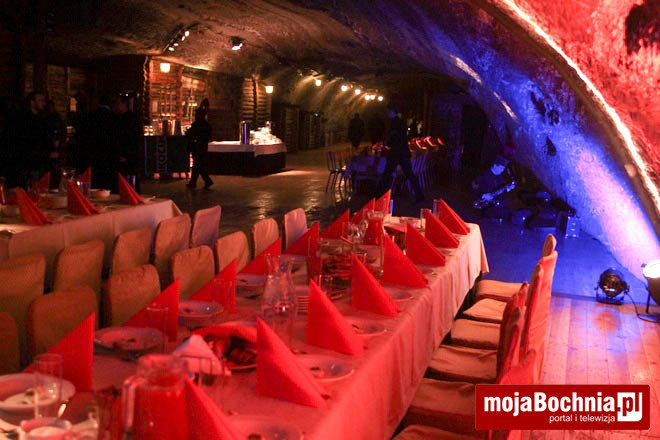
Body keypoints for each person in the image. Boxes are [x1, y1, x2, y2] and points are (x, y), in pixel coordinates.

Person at [377, 103, 424, 204]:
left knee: (387, 174)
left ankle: (380, 195)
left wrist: (387, 143)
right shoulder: (399, 122)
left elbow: (395, 138)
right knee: (407, 174)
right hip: (401, 152)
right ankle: (419, 195)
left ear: (392, 111)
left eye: (388, 111)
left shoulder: (395, 122)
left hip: (397, 152)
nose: (387, 113)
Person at [4, 91, 51, 188]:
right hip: (24, 163)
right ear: (32, 102)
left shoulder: (42, 119)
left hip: (37, 163)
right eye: (40, 100)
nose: (43, 103)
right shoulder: (22, 119)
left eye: (44, 100)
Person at [78, 96, 120, 192]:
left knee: (95, 184)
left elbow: (82, 136)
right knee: (108, 186)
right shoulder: (114, 118)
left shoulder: (89, 117)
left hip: (93, 155)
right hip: (109, 157)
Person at [114, 94, 142, 193]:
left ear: (124, 104)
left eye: (118, 103)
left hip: (128, 158)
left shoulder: (126, 120)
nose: (116, 106)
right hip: (130, 157)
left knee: (128, 183)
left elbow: (130, 139)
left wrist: (126, 155)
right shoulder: (129, 118)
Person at [186, 107, 213, 189]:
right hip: (203, 147)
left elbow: (190, 133)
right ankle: (194, 182)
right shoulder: (207, 125)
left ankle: (206, 181)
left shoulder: (197, 124)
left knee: (198, 165)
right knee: (197, 165)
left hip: (197, 147)